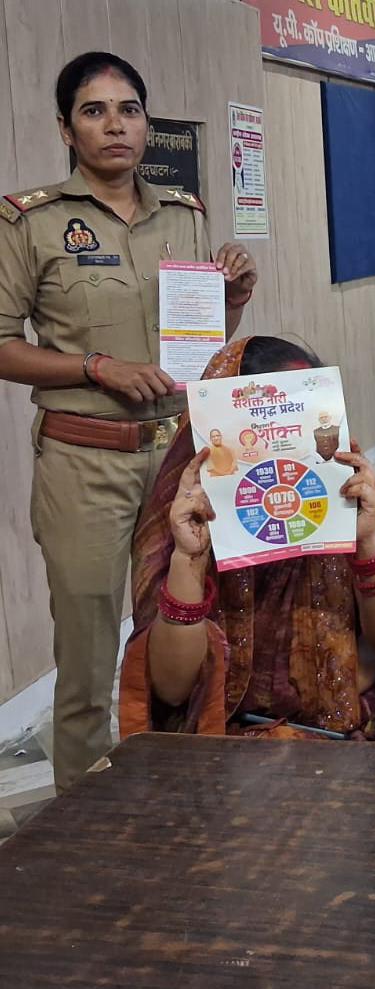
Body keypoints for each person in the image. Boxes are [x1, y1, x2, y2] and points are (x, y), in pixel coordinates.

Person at [0, 52, 257, 789]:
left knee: (185, 624)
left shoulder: (184, 213)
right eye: (94, 111)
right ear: (66, 129)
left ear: (147, 124)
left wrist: (235, 299)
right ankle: (85, 811)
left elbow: (198, 349)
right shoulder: (31, 221)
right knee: (87, 657)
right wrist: (95, 367)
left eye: (129, 110)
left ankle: (183, 785)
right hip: (85, 462)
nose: (114, 125)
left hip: (178, 457)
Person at [117, 337, 375, 739]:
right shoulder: (187, 514)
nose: (277, 446)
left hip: (348, 732)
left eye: (295, 423)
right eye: (256, 428)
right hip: (225, 737)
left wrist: (368, 545)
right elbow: (172, 688)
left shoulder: (350, 494)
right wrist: (188, 560)